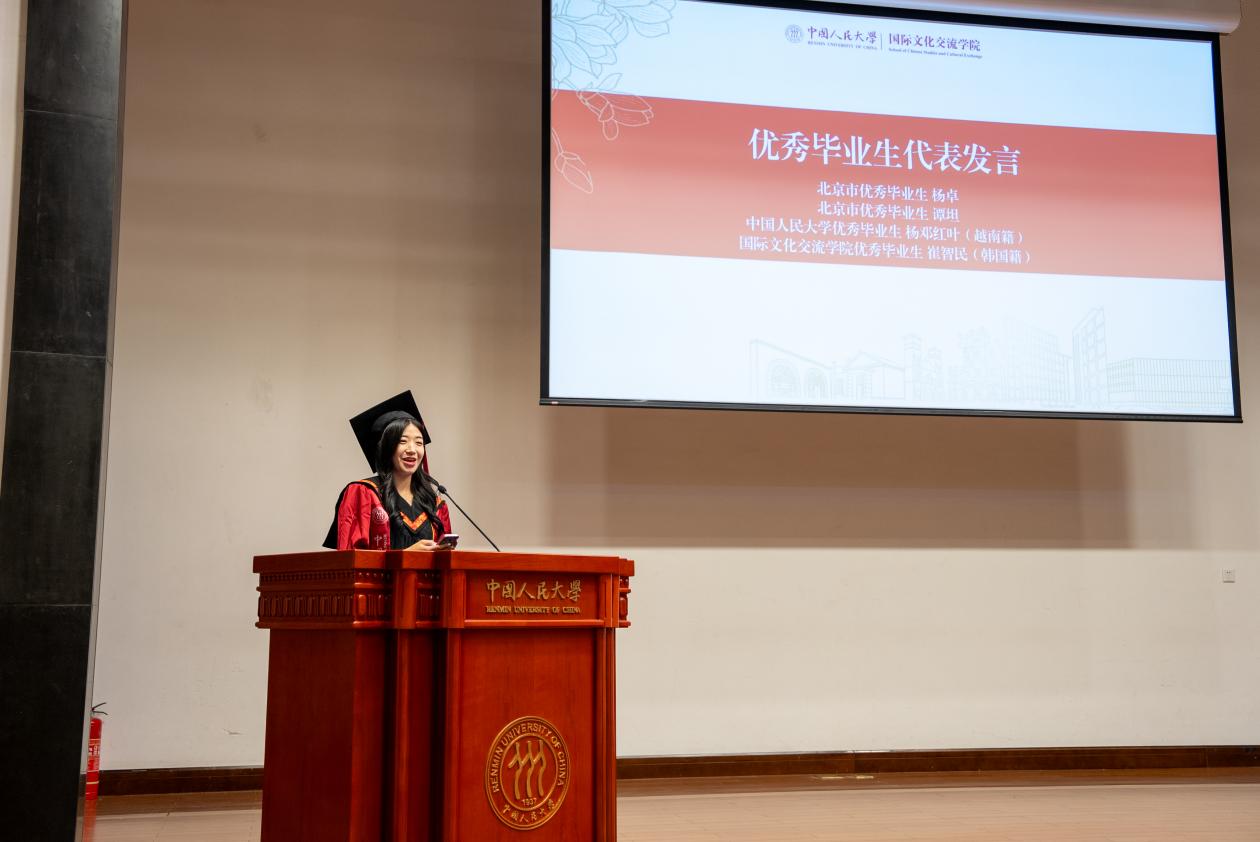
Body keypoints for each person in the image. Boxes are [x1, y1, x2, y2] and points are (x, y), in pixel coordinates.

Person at [322, 391, 452, 550]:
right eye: (402, 441)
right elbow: (350, 558)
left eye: (419, 443)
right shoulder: (364, 493)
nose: (412, 450)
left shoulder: (433, 503)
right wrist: (406, 556)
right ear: (385, 447)